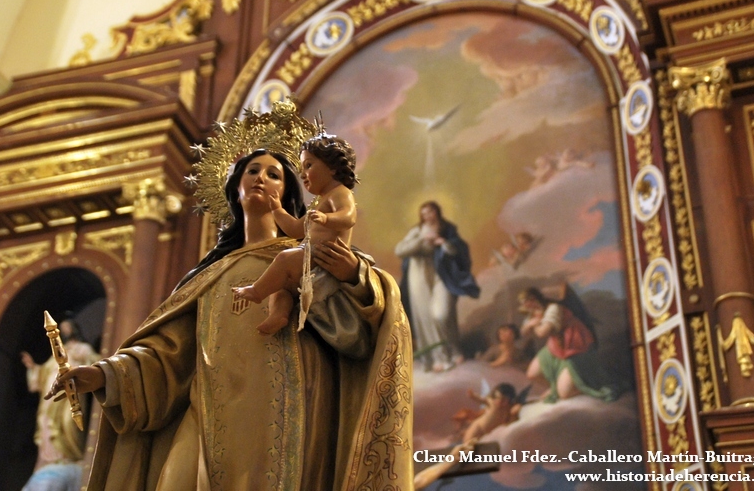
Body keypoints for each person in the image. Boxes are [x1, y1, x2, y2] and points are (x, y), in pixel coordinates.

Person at [45, 101, 413, 490]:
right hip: (206, 414)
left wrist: (352, 275)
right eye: (251, 170)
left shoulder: (307, 257)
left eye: (274, 174)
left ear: (287, 193)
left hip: (292, 414)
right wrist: (104, 375)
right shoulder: (209, 277)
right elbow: (169, 354)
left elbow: (360, 335)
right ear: (235, 187)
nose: (260, 178)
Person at [233, 133, 357, 335]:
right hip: (308, 255)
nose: (303, 174)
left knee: (283, 259)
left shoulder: (340, 193)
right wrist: (278, 210)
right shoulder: (320, 203)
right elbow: (296, 229)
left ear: (333, 168)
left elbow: (348, 216)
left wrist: (326, 218)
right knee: (280, 287)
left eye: (308, 165)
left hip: (321, 258)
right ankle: (278, 315)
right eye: (253, 171)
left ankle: (256, 291)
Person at [396, 201, 480, 372]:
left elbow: (459, 251)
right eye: (424, 213)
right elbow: (400, 251)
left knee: (441, 314)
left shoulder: (447, 229)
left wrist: (443, 242)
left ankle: (454, 350)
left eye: (430, 212)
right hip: (419, 276)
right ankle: (439, 357)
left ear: (437, 212)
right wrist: (421, 240)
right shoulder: (417, 231)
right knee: (426, 317)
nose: (428, 216)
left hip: (442, 275)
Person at [21, 320, 100, 491]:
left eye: (67, 327)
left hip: (69, 394)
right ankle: (48, 459)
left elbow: (96, 364)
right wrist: (33, 368)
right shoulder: (58, 351)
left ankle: (69, 455)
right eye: (62, 328)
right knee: (45, 422)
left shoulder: (82, 348)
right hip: (50, 394)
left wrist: (81, 362)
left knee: (68, 422)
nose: (65, 330)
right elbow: (44, 374)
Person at [519, 286, 616, 402]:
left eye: (525, 302)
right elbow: (523, 332)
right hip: (556, 345)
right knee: (532, 374)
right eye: (523, 303)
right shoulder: (533, 312)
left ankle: (584, 386)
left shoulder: (553, 308)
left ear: (533, 299)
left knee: (565, 394)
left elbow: (543, 332)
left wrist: (533, 324)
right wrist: (530, 324)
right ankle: (555, 388)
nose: (524, 306)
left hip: (574, 344)